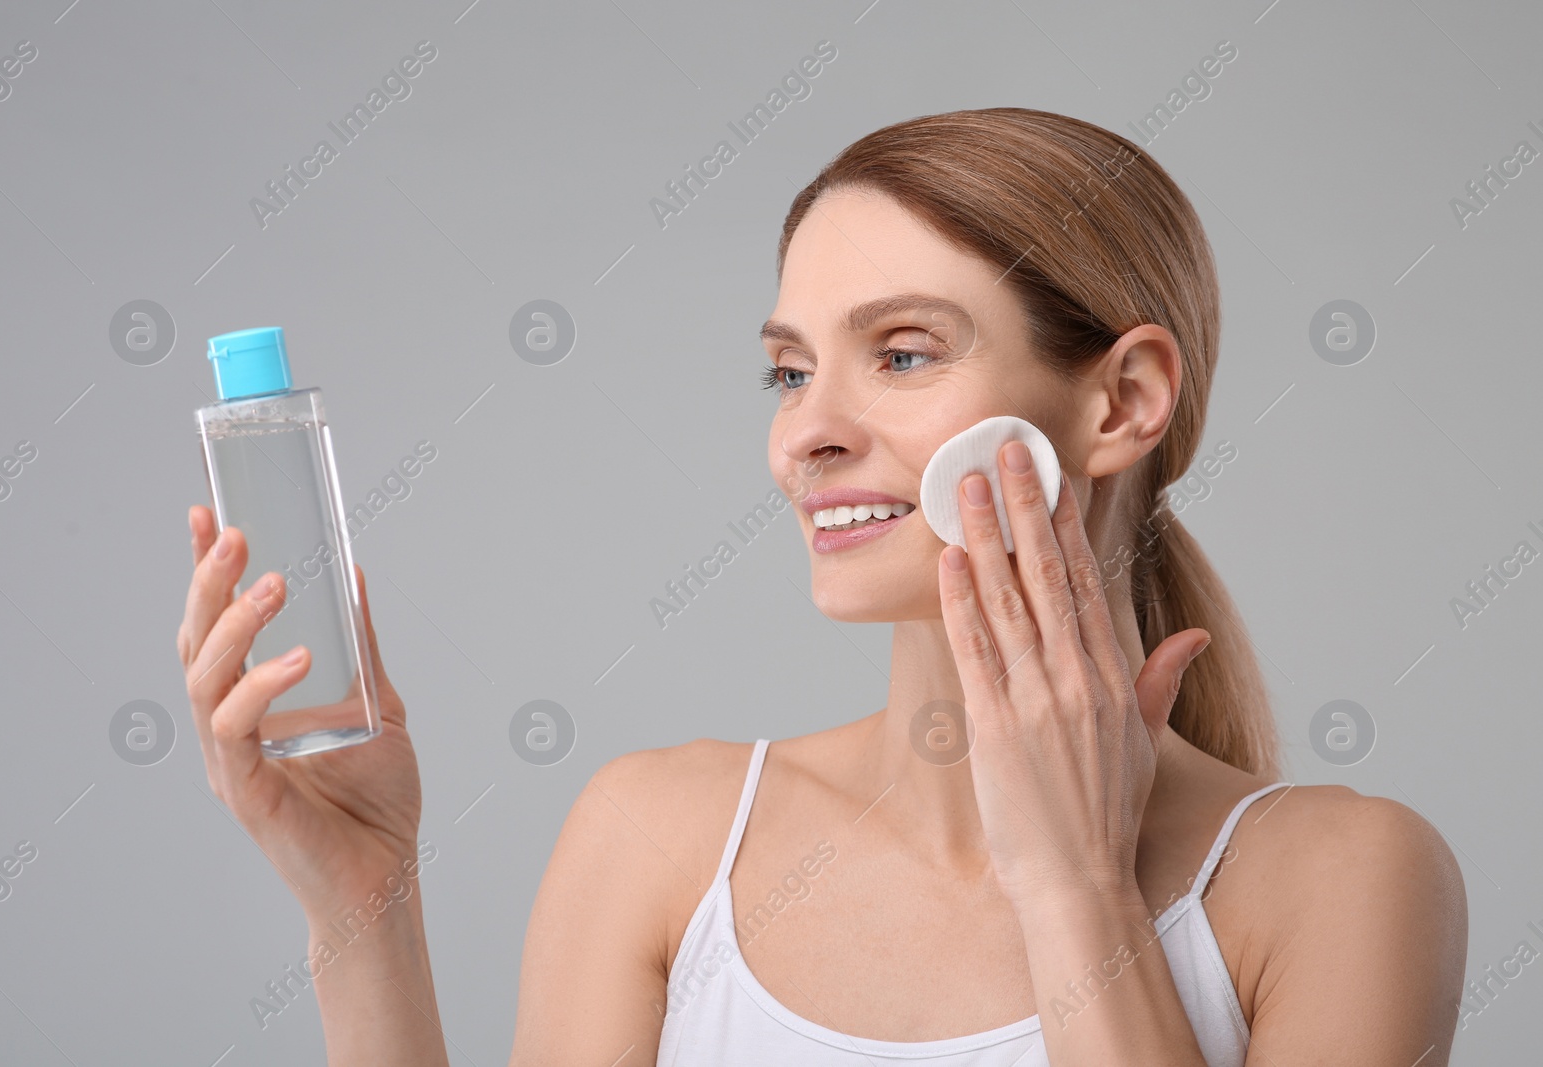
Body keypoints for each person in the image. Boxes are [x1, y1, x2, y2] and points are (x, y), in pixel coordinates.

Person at [177, 107, 1468, 1066]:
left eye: (902, 354)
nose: (808, 436)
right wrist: (365, 910)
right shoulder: (656, 841)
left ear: (1121, 401)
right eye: (789, 372)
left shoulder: (1346, 881)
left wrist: (1078, 887)